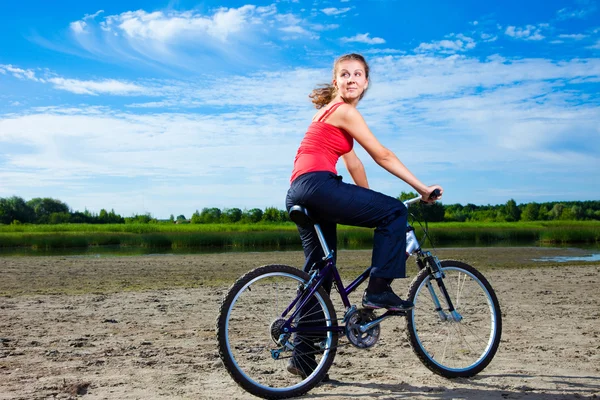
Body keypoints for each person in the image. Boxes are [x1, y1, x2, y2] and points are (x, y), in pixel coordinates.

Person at [285, 53, 443, 378]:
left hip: (298, 191)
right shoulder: (344, 111)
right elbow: (382, 154)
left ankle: (302, 358)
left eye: (358, 74)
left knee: (320, 274)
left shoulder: (327, 114)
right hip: (318, 186)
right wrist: (422, 188)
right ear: (336, 82)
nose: (352, 79)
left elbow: (354, 163)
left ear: (366, 82)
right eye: (345, 74)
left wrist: (368, 199)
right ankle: (378, 290)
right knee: (395, 211)